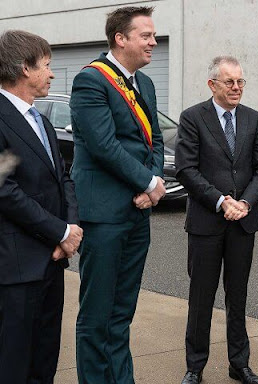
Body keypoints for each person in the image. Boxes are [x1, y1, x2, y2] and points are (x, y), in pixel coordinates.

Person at [0, 30, 81, 384]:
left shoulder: (42, 120)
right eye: (46, 65)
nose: (52, 73)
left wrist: (71, 231)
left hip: (53, 259)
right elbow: (4, 193)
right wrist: (60, 231)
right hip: (16, 266)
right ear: (23, 68)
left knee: (45, 360)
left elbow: (64, 179)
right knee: (16, 364)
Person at [69, 6, 165, 383]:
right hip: (104, 215)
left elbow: (154, 141)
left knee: (122, 312)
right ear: (120, 38)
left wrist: (153, 186)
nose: (154, 42)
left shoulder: (146, 83)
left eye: (154, 35)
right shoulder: (90, 81)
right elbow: (103, 146)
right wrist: (148, 183)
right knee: (96, 316)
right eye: (146, 35)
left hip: (137, 214)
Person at [175, 56, 258, 384]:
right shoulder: (192, 118)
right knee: (201, 297)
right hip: (206, 222)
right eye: (230, 82)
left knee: (238, 295)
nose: (236, 88)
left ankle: (239, 364)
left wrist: (244, 201)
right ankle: (195, 366)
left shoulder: (253, 119)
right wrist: (220, 201)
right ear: (212, 84)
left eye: (241, 82)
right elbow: (185, 169)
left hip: (242, 222)